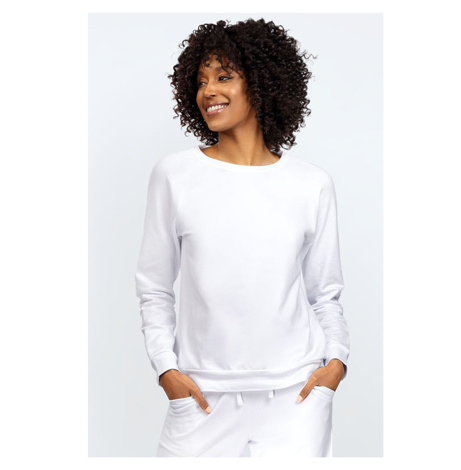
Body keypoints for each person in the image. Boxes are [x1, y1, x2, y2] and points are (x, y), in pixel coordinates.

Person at [135, 18, 350, 457]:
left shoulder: (311, 184)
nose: (208, 91)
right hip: (201, 397)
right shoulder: (175, 175)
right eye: (201, 81)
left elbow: (325, 294)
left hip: (297, 397)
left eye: (223, 77)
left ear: (263, 83)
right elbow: (154, 287)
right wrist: (166, 370)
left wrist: (336, 364)